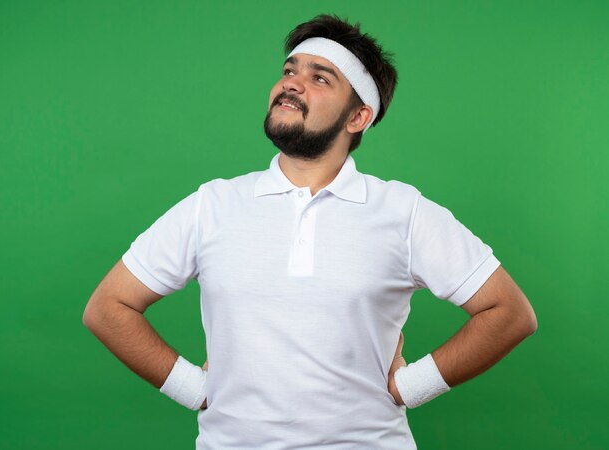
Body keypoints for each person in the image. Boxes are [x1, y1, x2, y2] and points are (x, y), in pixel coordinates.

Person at [83, 13, 537, 449]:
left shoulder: (404, 212)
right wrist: (194, 388)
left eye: (320, 77)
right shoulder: (212, 205)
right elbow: (108, 307)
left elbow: (509, 312)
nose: (291, 84)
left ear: (358, 117)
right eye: (289, 70)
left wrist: (410, 386)